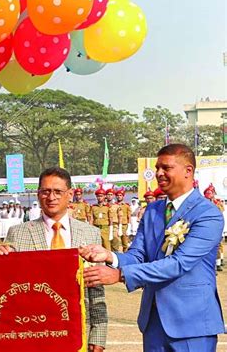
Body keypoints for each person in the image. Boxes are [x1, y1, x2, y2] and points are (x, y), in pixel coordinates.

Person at [81, 144, 225, 352]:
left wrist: (120, 275)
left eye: (166, 168)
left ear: (188, 171)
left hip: (191, 323)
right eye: (158, 168)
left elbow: (178, 263)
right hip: (154, 322)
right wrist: (110, 256)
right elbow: (139, 254)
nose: (158, 173)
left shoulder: (207, 214)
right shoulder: (153, 210)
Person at [0, 167, 107, 352]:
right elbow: (9, 287)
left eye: (58, 192)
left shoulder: (90, 233)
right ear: (38, 195)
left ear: (70, 194)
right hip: (33, 331)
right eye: (45, 191)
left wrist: (98, 334)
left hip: (77, 329)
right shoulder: (18, 233)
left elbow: (96, 290)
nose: (51, 197)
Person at [204, 184, 224, 272]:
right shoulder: (202, 203)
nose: (210, 194)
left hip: (216, 227)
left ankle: (218, 264)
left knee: (218, 246)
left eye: (211, 192)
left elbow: (221, 212)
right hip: (205, 227)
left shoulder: (217, 203)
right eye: (208, 193)